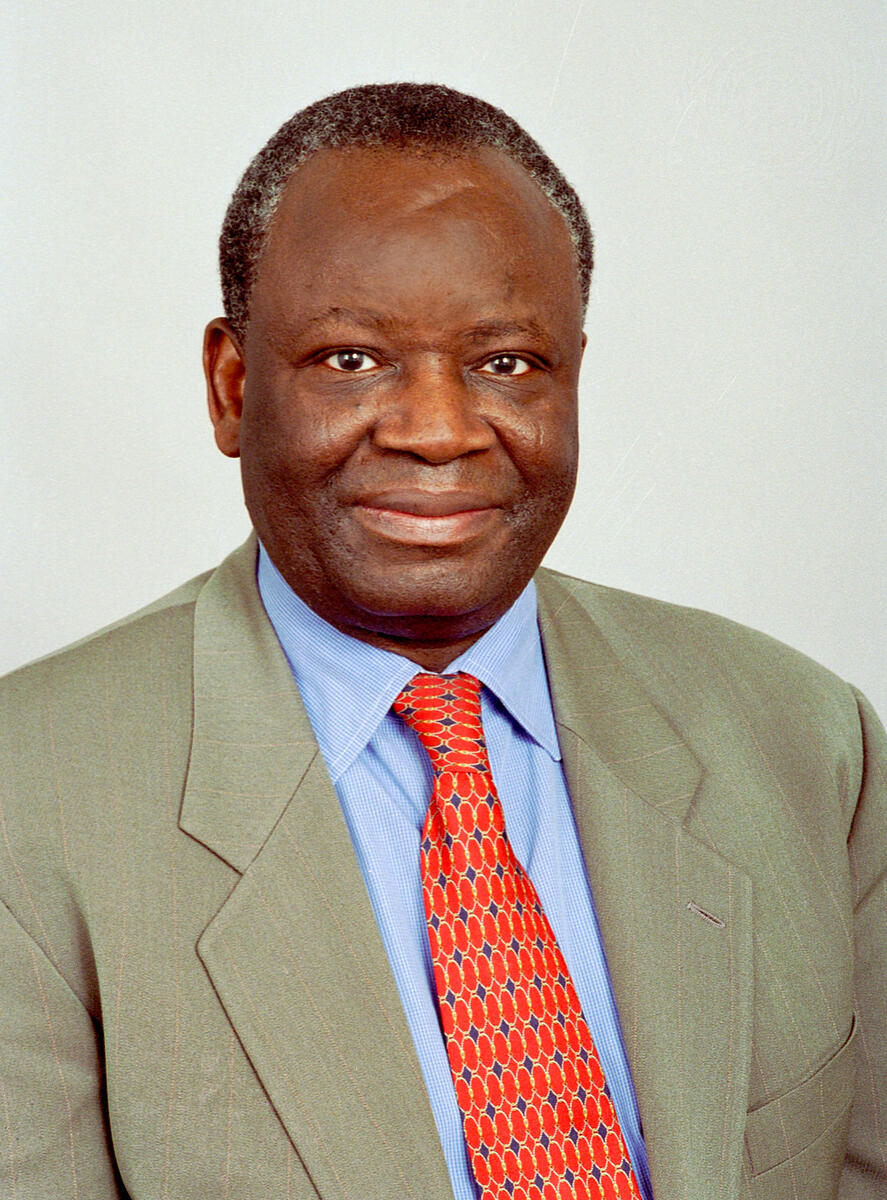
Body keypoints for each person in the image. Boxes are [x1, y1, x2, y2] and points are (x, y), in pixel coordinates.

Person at [0, 83, 883, 1200]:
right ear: (231, 387)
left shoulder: (807, 741)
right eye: (350, 359)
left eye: (504, 363)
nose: (437, 431)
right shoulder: (28, 799)